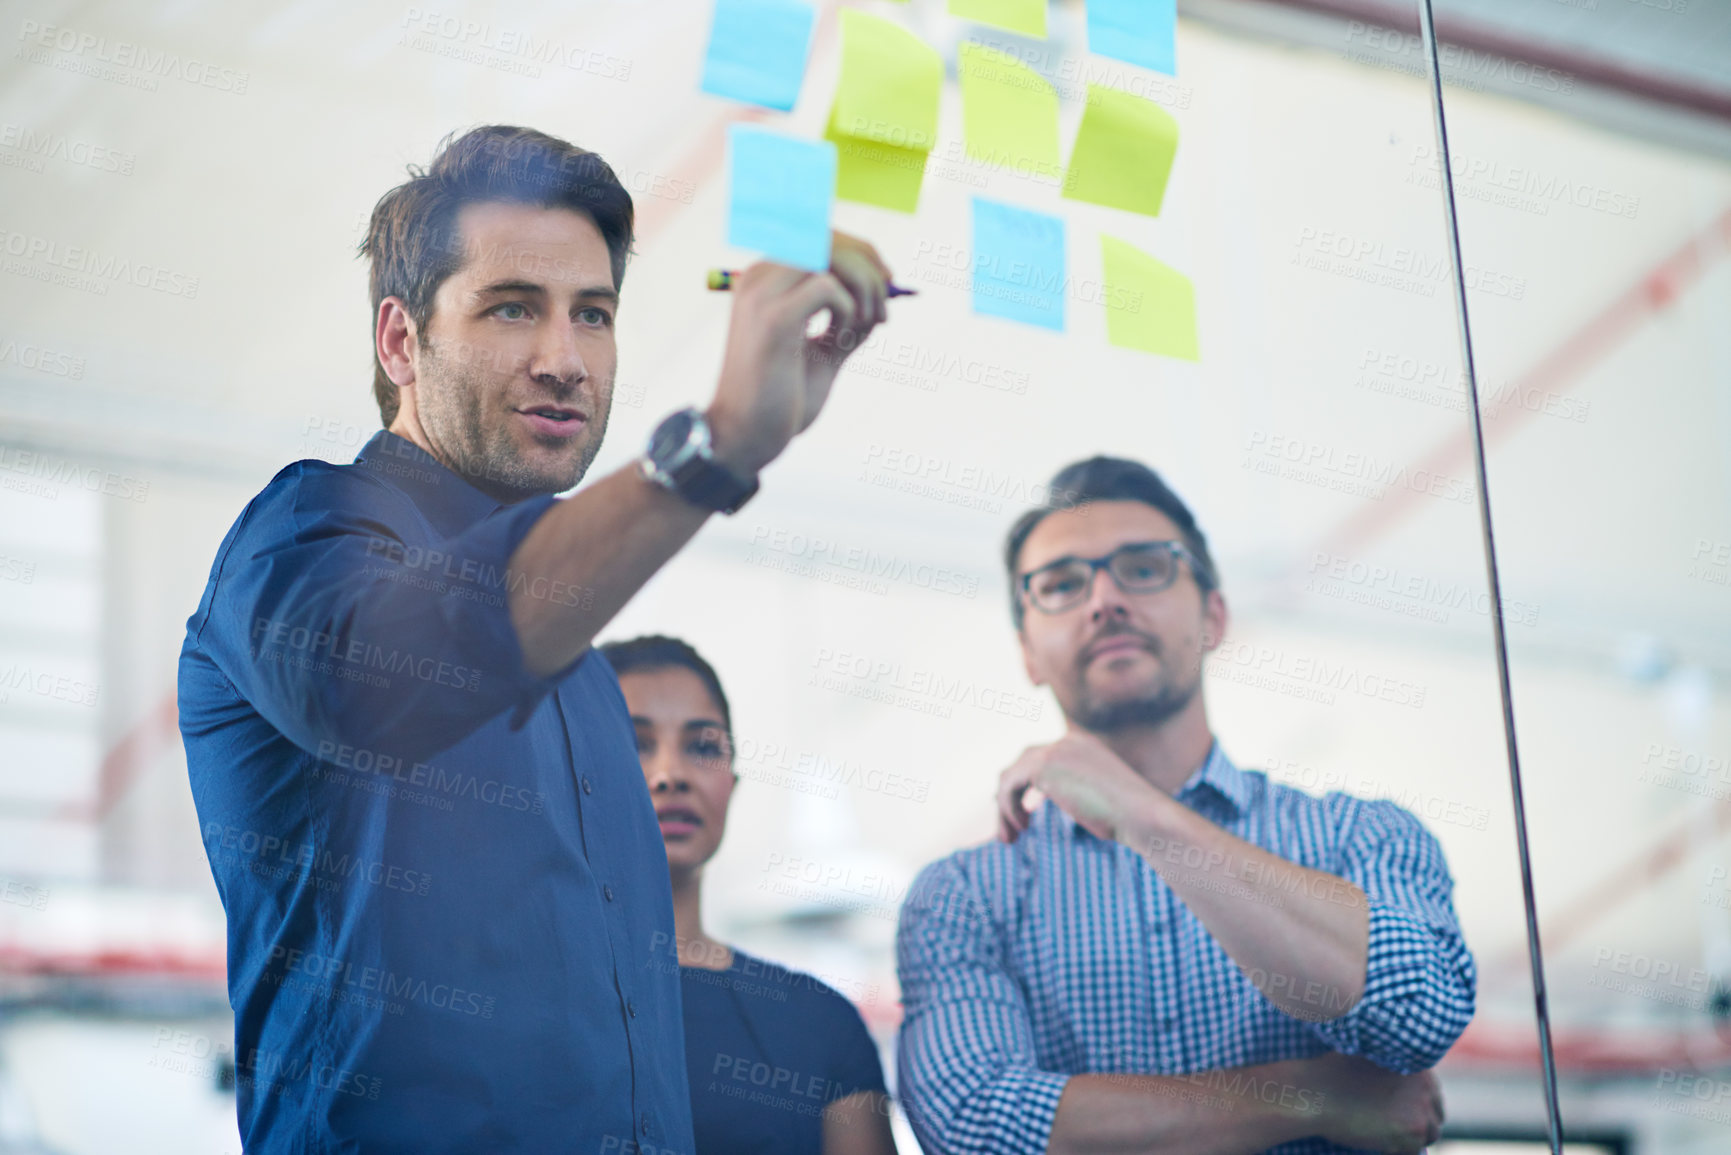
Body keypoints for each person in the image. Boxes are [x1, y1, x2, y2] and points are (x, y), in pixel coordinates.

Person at [176, 124, 892, 1153]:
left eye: (592, 315)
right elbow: (384, 676)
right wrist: (717, 445)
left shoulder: (589, 677)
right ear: (399, 342)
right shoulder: (302, 535)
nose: (563, 360)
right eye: (512, 308)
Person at [895, 457, 1477, 1155]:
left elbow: (1420, 1010)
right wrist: (1311, 1096)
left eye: (1142, 568)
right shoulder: (962, 896)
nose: (1104, 600)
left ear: (1213, 616)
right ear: (1026, 652)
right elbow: (974, 1130)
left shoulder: (1358, 835)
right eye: (1059, 585)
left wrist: (1145, 814)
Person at [600, 634, 899, 1155]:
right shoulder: (522, 999)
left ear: (733, 783)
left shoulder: (819, 1022)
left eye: (703, 746)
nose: (671, 774)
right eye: (635, 743)